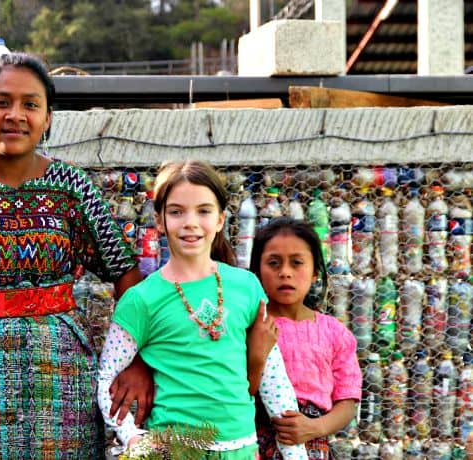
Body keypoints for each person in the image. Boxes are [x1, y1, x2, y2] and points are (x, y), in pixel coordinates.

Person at [0, 51, 148, 459]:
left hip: (65, 376)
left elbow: (127, 278)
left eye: (30, 104)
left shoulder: (73, 188)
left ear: (48, 117)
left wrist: (135, 362)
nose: (15, 114)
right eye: (1, 102)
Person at [97, 160, 307, 459]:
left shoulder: (246, 286)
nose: (190, 222)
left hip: (241, 450)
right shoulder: (141, 300)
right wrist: (131, 438)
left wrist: (296, 454)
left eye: (204, 211)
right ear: (159, 220)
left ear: (221, 219)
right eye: (176, 211)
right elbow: (107, 377)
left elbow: (273, 376)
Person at [249, 217, 362, 460]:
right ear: (257, 272)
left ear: (314, 274)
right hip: (255, 441)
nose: (285, 273)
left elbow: (348, 401)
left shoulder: (334, 333)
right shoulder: (251, 327)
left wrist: (315, 427)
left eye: (297, 263)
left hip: (312, 443)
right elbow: (240, 387)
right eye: (274, 263)